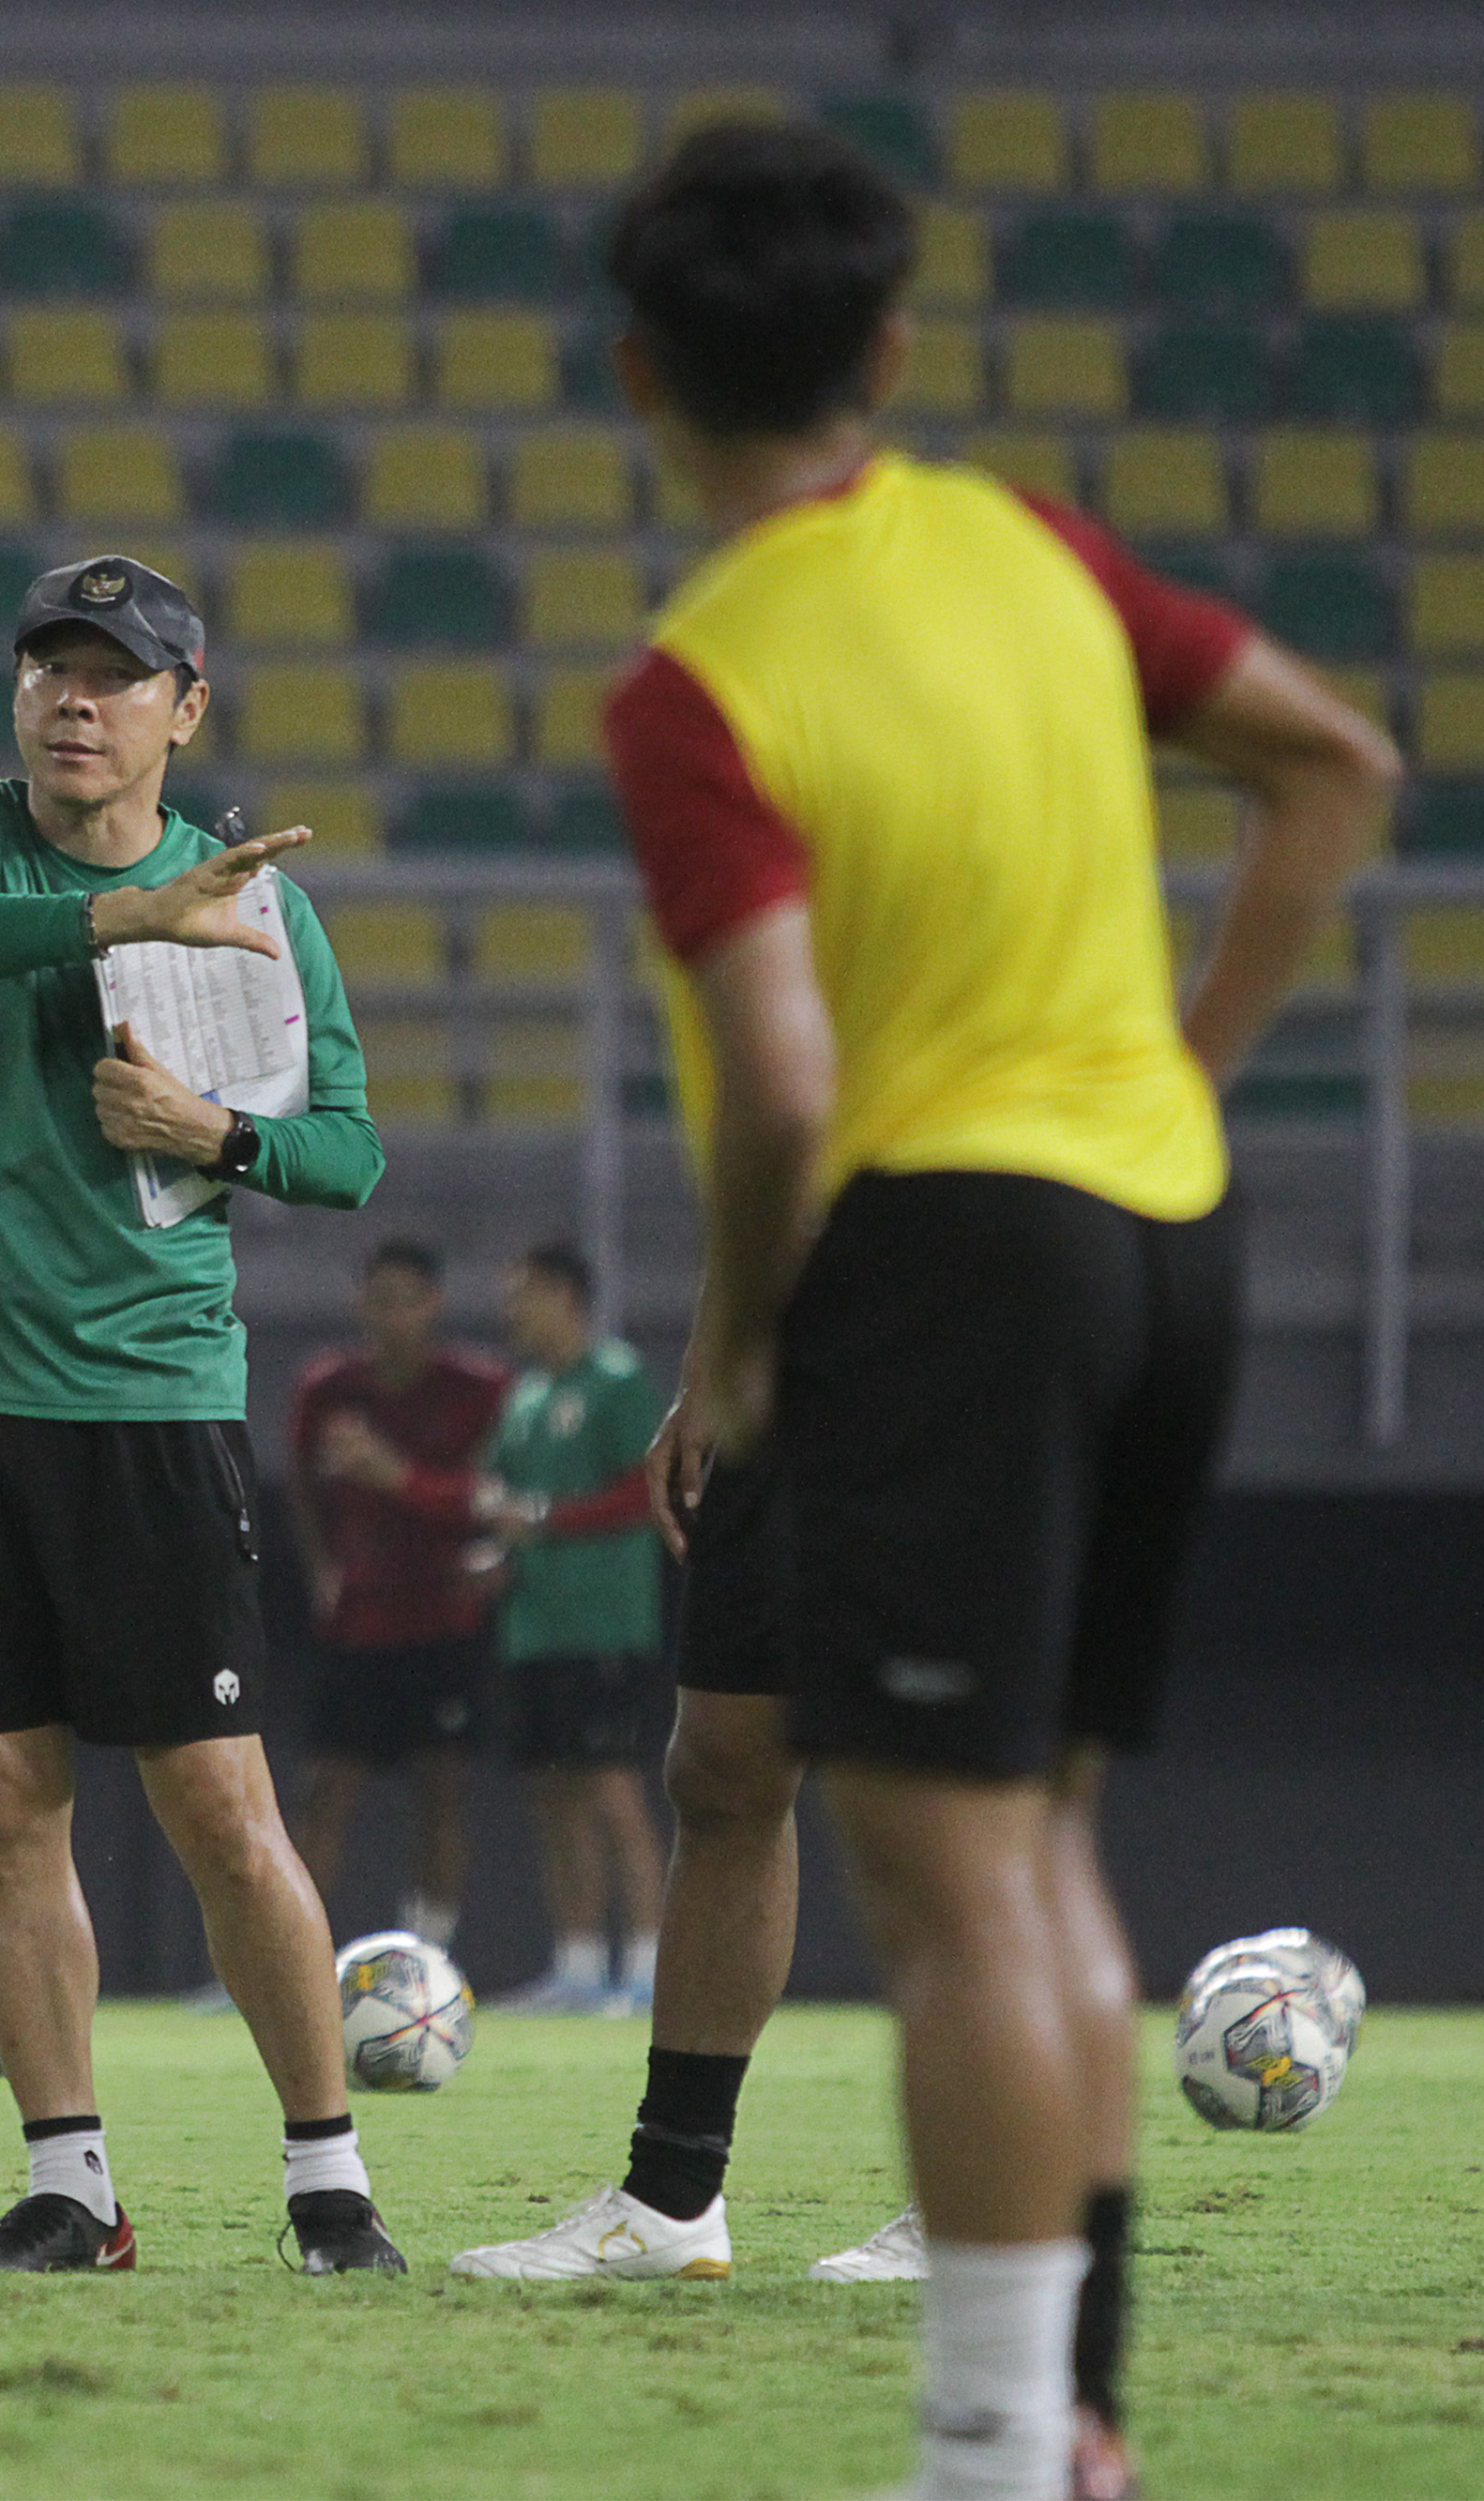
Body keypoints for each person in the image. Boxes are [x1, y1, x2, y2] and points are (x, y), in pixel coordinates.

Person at [443, 124, 1395, 2501]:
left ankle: (990, 2451)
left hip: (934, 1260)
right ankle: (1060, 2423)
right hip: (1163, 1232)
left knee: (956, 1886)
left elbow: (777, 1070)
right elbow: (1334, 764)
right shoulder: (1031, 548)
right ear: (887, 348)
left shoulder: (694, 689)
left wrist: (742, 1335)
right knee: (1037, 1858)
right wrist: (1169, 1069)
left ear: (636, 372)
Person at [0, 553, 406, 2279]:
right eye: (49, 671)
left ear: (187, 708)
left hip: (151, 1403)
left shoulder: (252, 895)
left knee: (221, 1808)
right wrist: (121, 921)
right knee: (5, 1807)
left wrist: (218, 1138)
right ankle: (71, 2190)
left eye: (115, 676)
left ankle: (330, 2188)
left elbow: (353, 1151)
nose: (73, 701)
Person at [282, 1243, 512, 1950]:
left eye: (406, 1299)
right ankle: (290, 1960)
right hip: (359, 1620)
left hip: (445, 1617)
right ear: (360, 1302)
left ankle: (428, 1955)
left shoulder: (481, 1387)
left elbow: (494, 1493)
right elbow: (299, 1485)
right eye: (378, 1298)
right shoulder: (328, 1387)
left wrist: (396, 1478)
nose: (391, 1315)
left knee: (441, 1793)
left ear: (433, 1304)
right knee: (324, 1792)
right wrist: (322, 1566)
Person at [471, 1242, 669, 2015]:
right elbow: (501, 1491)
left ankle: (648, 1971)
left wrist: (546, 1520)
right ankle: (580, 1966)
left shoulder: (614, 1380)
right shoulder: (524, 1396)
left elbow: (641, 1490)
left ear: (565, 1295)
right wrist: (499, 1542)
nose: (510, 1309)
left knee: (616, 1792)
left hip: (603, 1621)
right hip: (535, 1624)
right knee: (555, 1796)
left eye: (523, 1292)